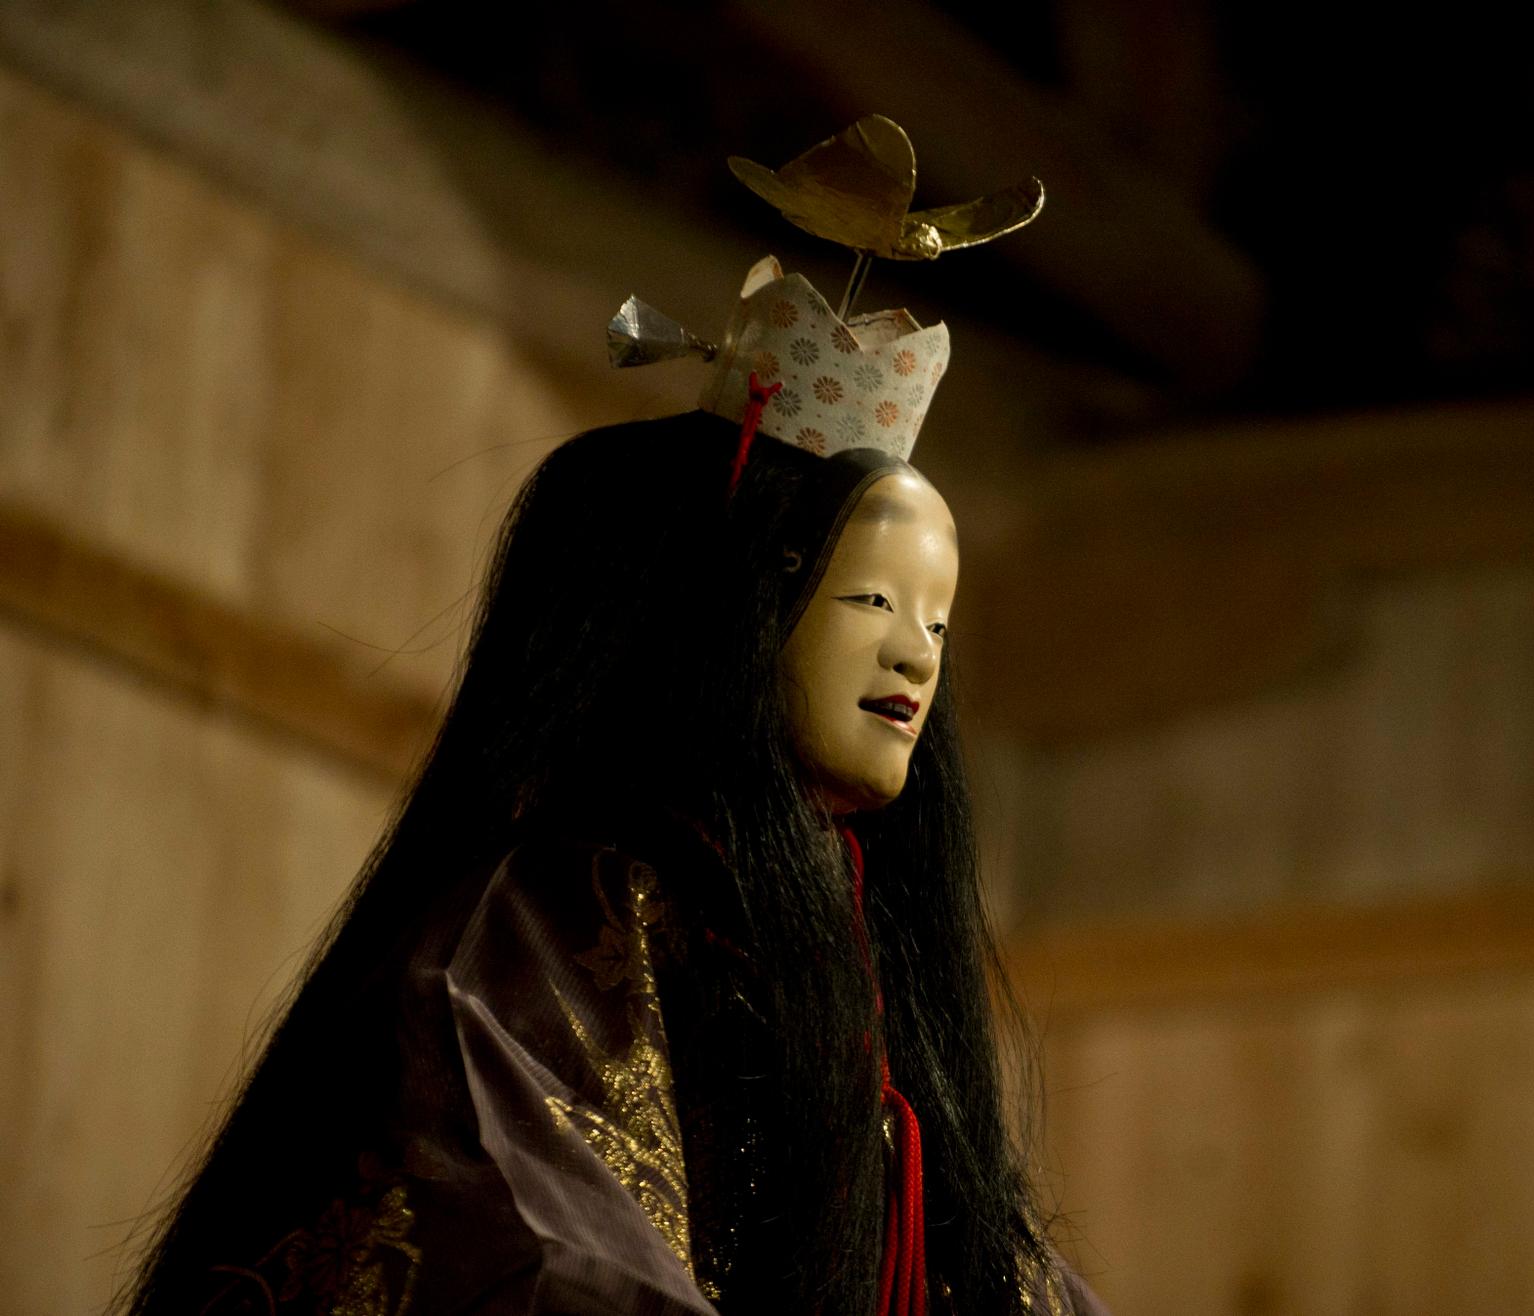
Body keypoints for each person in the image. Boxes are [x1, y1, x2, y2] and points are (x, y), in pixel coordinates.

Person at [122, 121, 1103, 1316]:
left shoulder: (865, 974)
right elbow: (509, 1219)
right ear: (732, 610)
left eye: (938, 623)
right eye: (870, 598)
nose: (913, 651)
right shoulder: (545, 928)